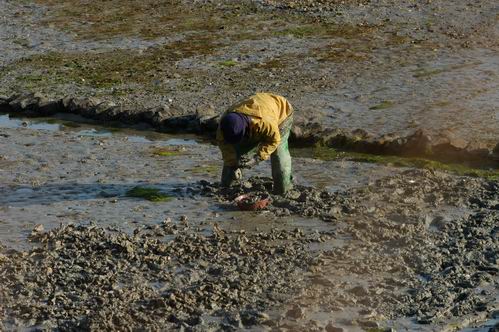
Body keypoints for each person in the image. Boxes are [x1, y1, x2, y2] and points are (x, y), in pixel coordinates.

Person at [216, 92, 294, 195]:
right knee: (235, 154)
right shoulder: (224, 124)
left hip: (281, 113)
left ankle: (283, 189)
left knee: (279, 157)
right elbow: (225, 146)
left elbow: (274, 141)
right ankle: (226, 188)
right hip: (256, 114)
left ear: (246, 129)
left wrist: (257, 158)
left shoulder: (265, 122)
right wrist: (233, 164)